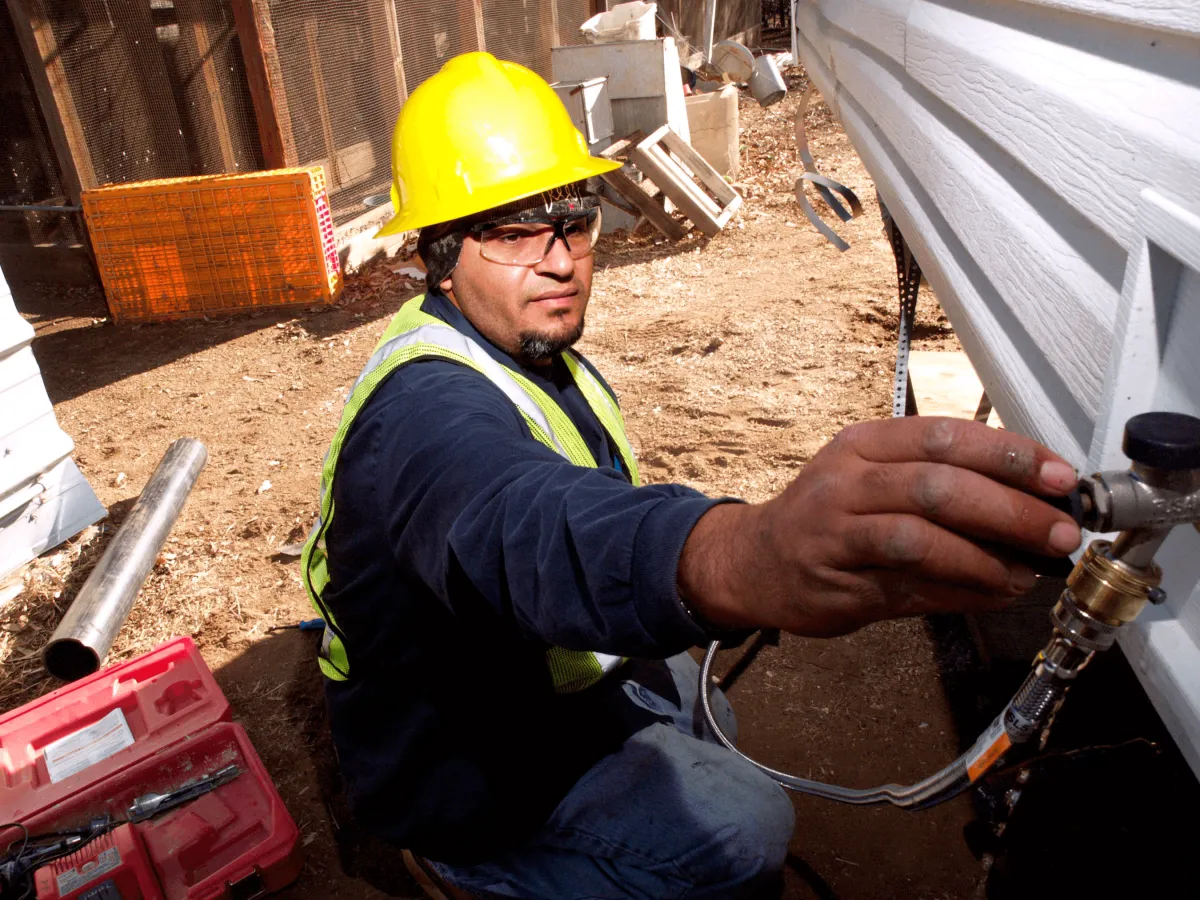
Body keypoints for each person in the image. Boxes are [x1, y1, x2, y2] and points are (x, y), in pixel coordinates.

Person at [301, 52, 1082, 899]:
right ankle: (475, 868)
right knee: (746, 829)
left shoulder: (516, 345)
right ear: (442, 256)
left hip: (515, 681)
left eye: (572, 218)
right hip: (455, 761)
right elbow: (527, 524)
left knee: (700, 700)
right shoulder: (424, 416)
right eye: (514, 230)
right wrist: (740, 555)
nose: (561, 259)